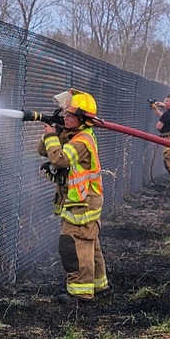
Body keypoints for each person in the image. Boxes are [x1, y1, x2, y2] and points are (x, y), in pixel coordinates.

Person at [37, 89, 109, 304]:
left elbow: (59, 160)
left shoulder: (82, 141)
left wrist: (52, 136)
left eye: (69, 115)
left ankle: (80, 292)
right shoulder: (73, 134)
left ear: (82, 120)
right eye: (65, 114)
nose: (65, 117)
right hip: (82, 198)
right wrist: (55, 132)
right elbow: (42, 150)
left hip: (83, 200)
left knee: (73, 243)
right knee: (89, 241)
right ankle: (98, 284)